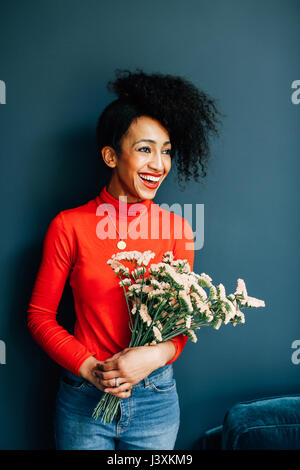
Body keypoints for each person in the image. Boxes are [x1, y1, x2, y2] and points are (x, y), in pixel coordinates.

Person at [26, 68, 222, 450]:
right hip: (83, 401)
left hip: (156, 402)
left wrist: (150, 358)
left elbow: (182, 326)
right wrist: (89, 369)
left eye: (166, 151)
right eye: (144, 149)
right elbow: (39, 316)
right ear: (111, 156)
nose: (159, 164)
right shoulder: (69, 226)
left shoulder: (179, 230)